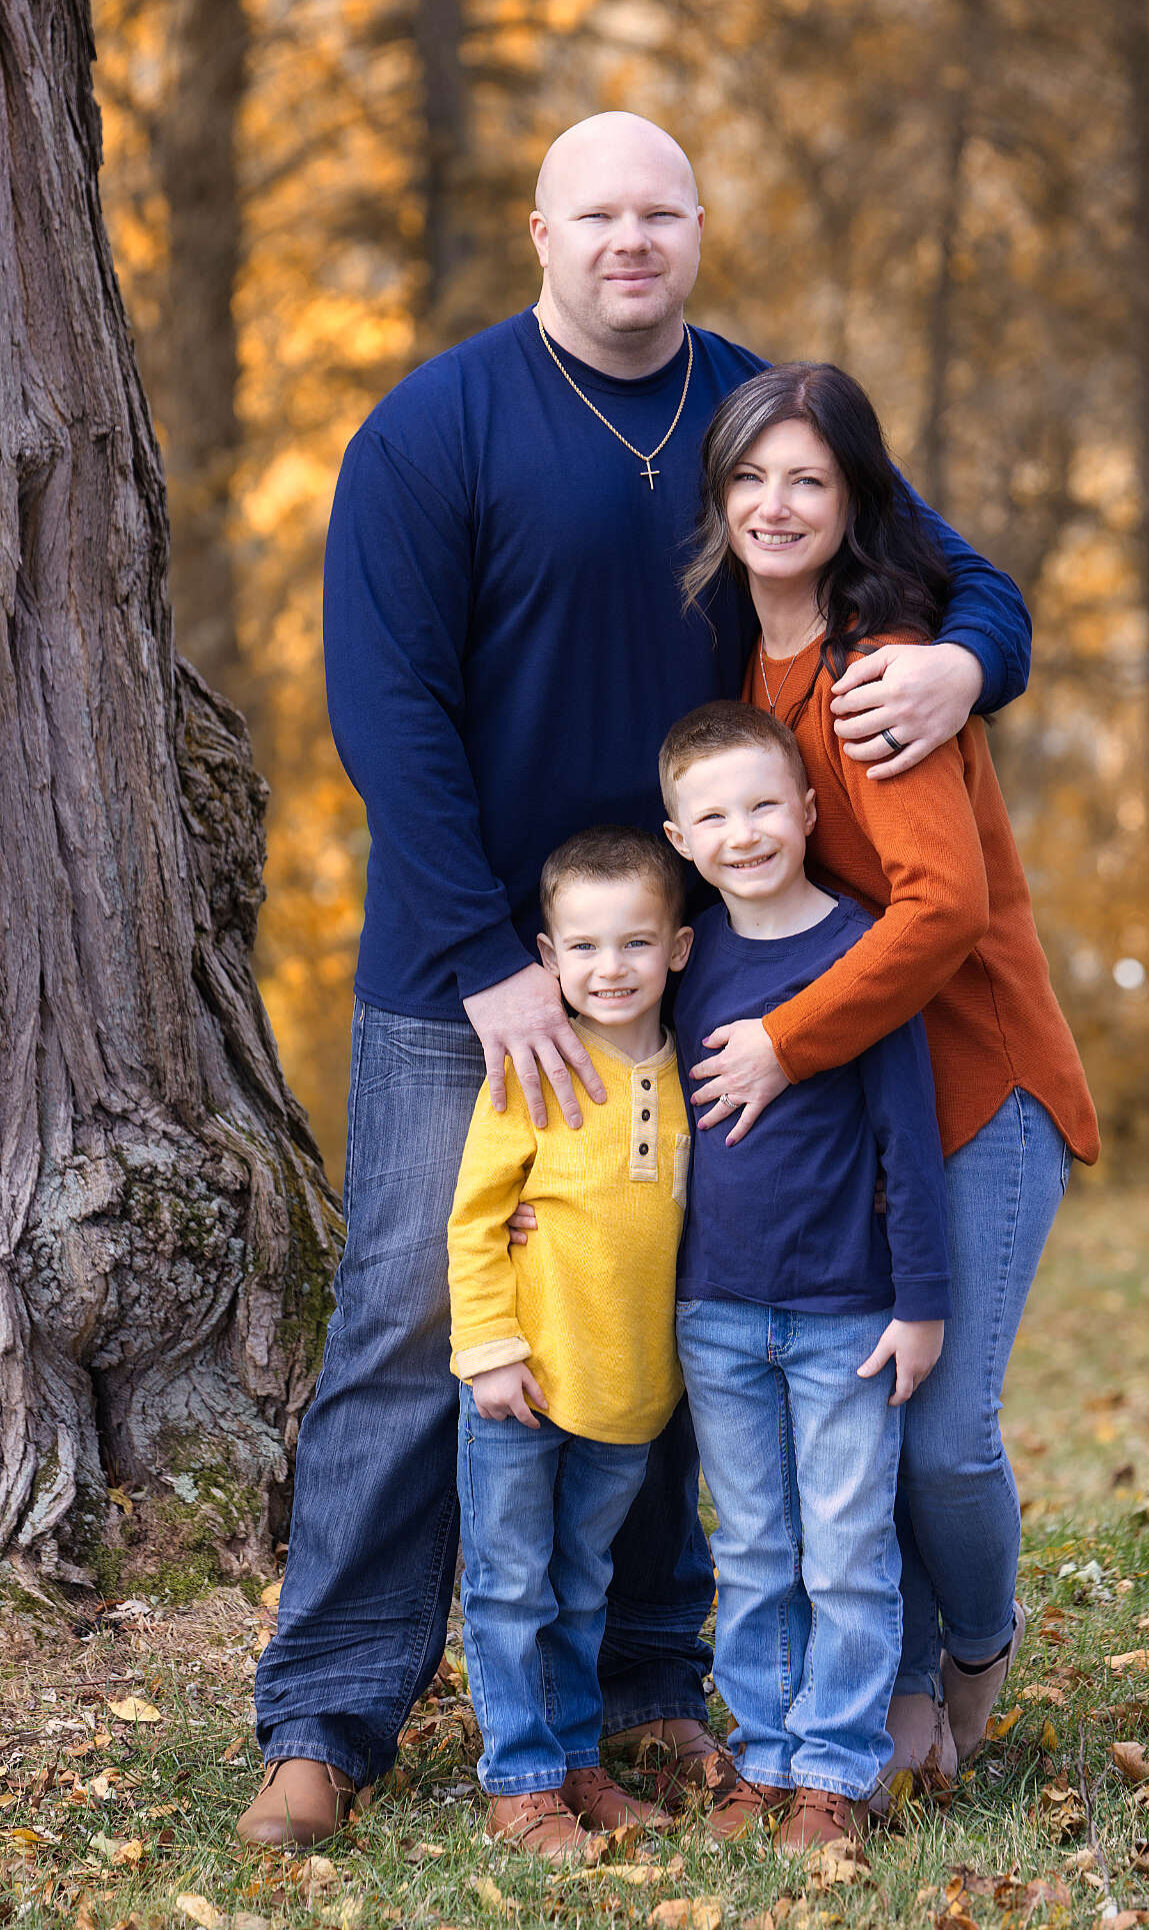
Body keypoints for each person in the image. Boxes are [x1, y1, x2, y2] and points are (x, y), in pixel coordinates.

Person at [241, 111, 1034, 1847]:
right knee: (407, 1328)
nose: (629, 241)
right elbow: (389, 713)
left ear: (697, 228)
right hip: (476, 986)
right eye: (594, 213)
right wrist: (482, 962)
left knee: (679, 1323)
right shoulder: (432, 430)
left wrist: (971, 666)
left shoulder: (760, 415)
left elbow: (969, 578)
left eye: (658, 213)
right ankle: (329, 1715)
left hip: (699, 977)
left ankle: (651, 1688)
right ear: (539, 229)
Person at [677, 363, 1099, 1795]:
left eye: (807, 479)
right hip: (865, 1098)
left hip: (975, 1086)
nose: (774, 506)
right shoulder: (752, 670)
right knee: (866, 1404)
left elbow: (940, 914)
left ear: (856, 499)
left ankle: (973, 1639)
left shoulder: (873, 676)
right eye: (748, 480)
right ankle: (900, 1683)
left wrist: (786, 1041)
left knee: (936, 1436)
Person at [660, 703, 953, 1856]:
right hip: (714, 1311)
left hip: (845, 1314)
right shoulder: (686, 958)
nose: (744, 832)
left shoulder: (858, 951)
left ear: (811, 812)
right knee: (751, 1547)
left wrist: (919, 1305)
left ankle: (836, 1768)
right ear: (680, 836)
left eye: (766, 805)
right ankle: (765, 1758)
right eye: (714, 815)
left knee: (844, 1547)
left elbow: (908, 1145)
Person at [449, 827, 692, 1864]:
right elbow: (474, 1219)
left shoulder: (693, 1070)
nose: (610, 968)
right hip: (522, 1380)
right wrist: (491, 1347)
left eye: (634, 943)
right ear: (547, 956)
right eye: (584, 947)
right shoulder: (534, 1068)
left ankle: (575, 1755)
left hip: (628, 1390)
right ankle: (520, 1780)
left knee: (582, 1583)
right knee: (510, 1583)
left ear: (678, 947)